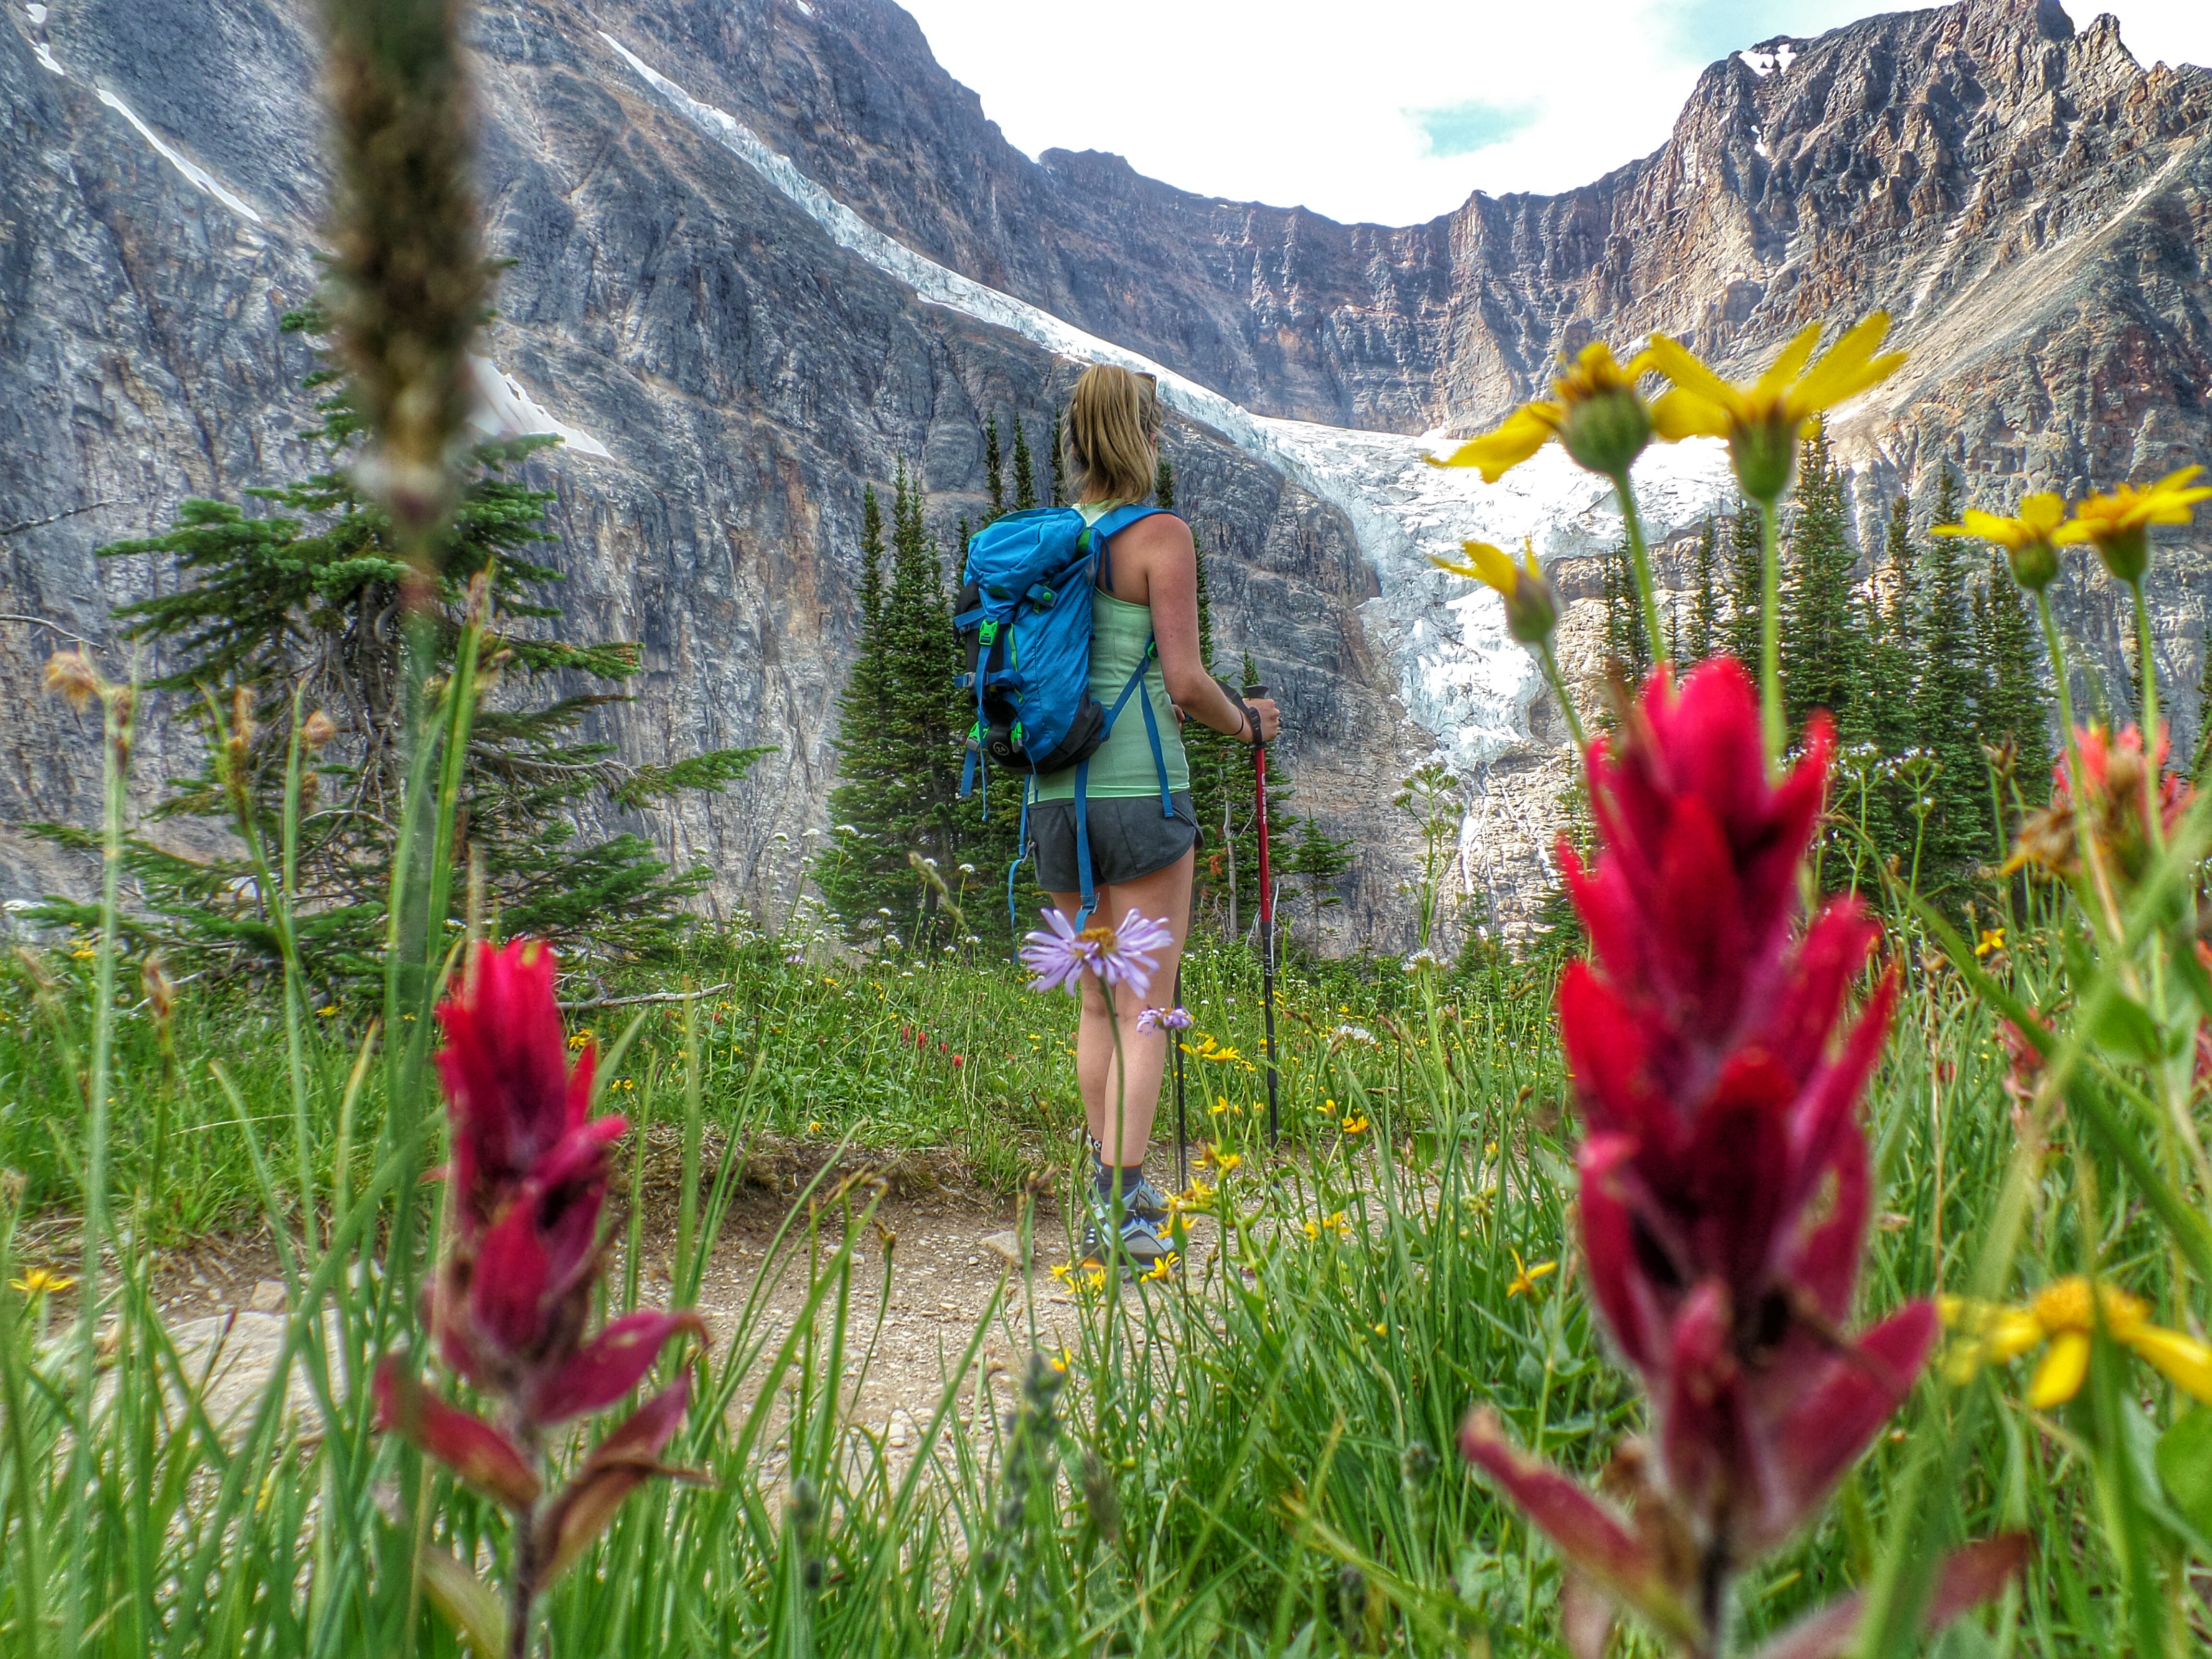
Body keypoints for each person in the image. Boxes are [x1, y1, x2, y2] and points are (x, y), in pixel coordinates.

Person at [1030, 364, 1280, 1267]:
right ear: (1140, 433)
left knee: (1095, 1007)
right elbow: (1184, 683)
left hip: (1053, 797)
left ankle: (1106, 1192)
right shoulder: (1159, 536)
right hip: (1140, 791)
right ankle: (1126, 1205)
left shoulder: (1048, 543)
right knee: (1149, 1005)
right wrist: (1247, 723)